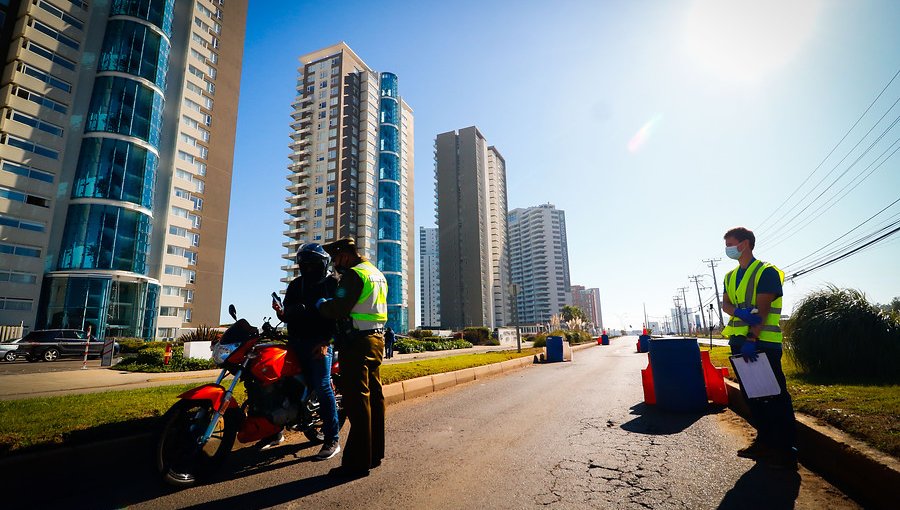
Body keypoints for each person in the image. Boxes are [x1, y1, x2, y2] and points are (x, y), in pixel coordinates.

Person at [721, 227, 797, 469]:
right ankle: (764, 441)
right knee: (753, 395)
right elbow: (725, 304)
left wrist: (752, 339)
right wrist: (738, 312)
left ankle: (786, 448)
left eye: (730, 244)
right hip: (739, 343)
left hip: (761, 343)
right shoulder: (730, 276)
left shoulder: (766, 272)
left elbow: (763, 309)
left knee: (774, 396)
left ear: (745, 244)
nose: (728, 249)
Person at [317, 237, 387, 478]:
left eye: (336, 259)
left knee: (357, 402)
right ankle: (374, 453)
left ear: (345, 255)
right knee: (375, 398)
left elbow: (339, 308)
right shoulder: (376, 273)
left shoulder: (354, 274)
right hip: (377, 340)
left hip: (357, 343)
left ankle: (356, 464)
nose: (335, 264)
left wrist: (321, 305)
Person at [268, 243, 341, 461]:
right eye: (304, 264)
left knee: (322, 384)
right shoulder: (295, 285)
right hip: (296, 341)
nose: (308, 268)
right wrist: (281, 312)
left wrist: (327, 340)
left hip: (320, 343)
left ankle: (332, 439)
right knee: (279, 383)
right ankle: (275, 432)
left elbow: (339, 314)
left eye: (312, 264)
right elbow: (289, 314)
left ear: (322, 263)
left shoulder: (332, 283)